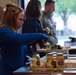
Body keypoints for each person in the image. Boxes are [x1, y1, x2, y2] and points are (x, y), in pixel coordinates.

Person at [0, 2, 48, 75]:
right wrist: (40, 35)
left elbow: (21, 55)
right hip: (8, 72)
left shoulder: (14, 33)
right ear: (12, 19)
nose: (22, 23)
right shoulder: (3, 31)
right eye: (20, 19)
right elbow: (18, 39)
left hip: (17, 71)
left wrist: (39, 58)